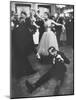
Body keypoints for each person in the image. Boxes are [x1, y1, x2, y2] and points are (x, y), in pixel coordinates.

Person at [12, 11, 37, 79]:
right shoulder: (16, 24)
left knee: (21, 58)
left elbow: (33, 28)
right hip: (18, 44)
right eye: (21, 16)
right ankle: (21, 73)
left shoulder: (26, 23)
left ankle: (21, 73)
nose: (22, 18)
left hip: (22, 44)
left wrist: (32, 31)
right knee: (20, 58)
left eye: (23, 16)